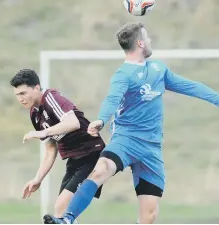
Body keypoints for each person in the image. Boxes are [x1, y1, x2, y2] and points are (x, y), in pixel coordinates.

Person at [43, 22, 219, 224]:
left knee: (149, 216)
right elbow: (112, 99)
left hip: (151, 148)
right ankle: (68, 219)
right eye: (147, 37)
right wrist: (101, 119)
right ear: (140, 43)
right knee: (101, 169)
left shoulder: (158, 69)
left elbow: (189, 86)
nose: (150, 40)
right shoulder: (123, 75)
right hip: (126, 140)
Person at [10, 69, 105, 222]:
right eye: (17, 95)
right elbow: (50, 150)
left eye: (23, 93)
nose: (20, 99)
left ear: (37, 88)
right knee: (61, 212)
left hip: (91, 154)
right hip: (75, 160)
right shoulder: (34, 114)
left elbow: (72, 123)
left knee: (62, 208)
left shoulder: (51, 98)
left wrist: (43, 132)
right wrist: (37, 179)